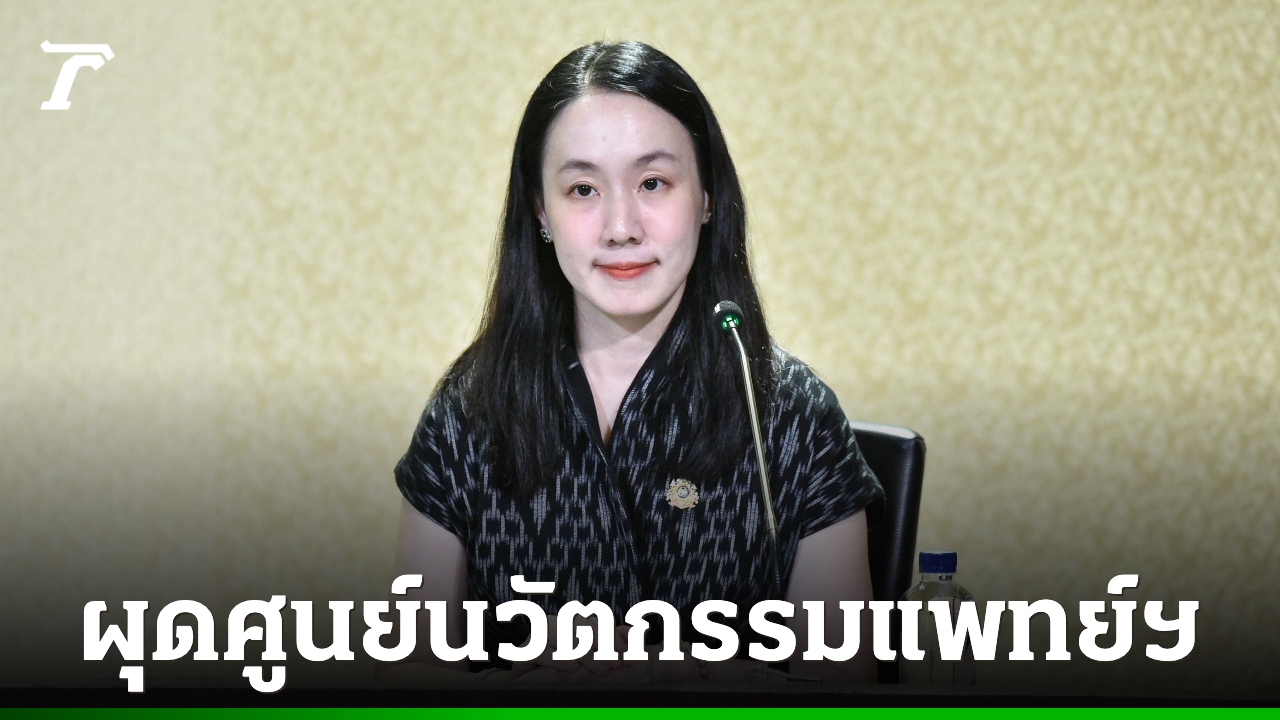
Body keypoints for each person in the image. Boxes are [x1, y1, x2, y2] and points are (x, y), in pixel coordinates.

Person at [388, 40, 884, 685]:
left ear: (707, 198)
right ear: (541, 211)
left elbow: (842, 686)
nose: (621, 226)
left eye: (653, 183)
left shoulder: (793, 415)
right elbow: (407, 676)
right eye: (583, 189)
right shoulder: (468, 409)